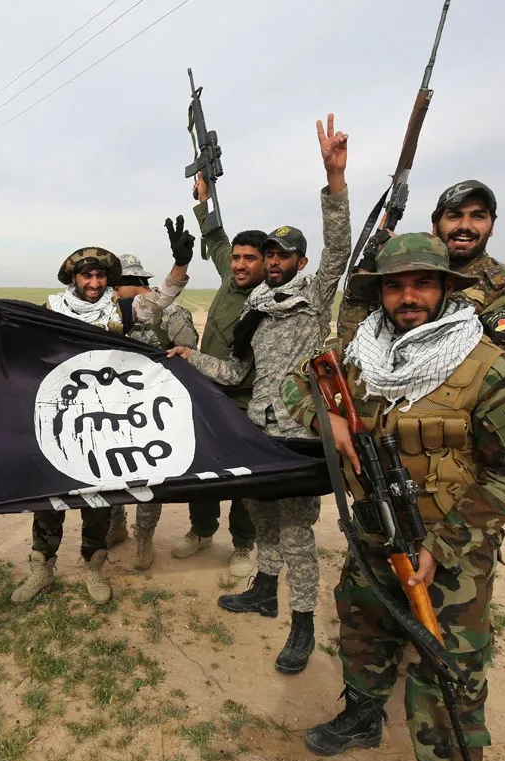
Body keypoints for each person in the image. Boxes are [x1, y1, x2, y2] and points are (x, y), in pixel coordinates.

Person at [282, 232, 505, 761]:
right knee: (363, 631)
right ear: (380, 294)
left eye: (423, 283)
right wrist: (327, 421)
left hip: (450, 551)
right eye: (395, 286)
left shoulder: (488, 370)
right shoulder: (360, 355)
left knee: (448, 665)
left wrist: (440, 546)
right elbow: (293, 384)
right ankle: (362, 716)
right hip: (374, 532)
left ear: (446, 288)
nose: (408, 297)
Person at [167, 114, 350, 675]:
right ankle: (265, 591)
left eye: (282, 255)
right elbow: (235, 371)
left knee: (297, 533)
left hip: (301, 435)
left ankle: (302, 624)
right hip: (259, 430)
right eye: (268, 254)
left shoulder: (313, 297)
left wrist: (334, 180)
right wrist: (190, 357)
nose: (272, 262)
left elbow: (338, 249)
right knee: (263, 515)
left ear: (299, 262)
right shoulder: (254, 310)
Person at [11, 232, 193, 606]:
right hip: (61, 416)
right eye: (87, 276)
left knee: (99, 498)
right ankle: (41, 569)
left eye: (100, 276)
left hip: (104, 421)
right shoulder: (51, 308)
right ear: (73, 279)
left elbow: (161, 298)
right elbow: (23, 342)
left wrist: (180, 264)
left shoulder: (119, 309)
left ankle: (93, 568)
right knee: (51, 497)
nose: (94, 283)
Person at [337, 180, 505, 394]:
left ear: (491, 227)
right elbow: (352, 350)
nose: (465, 226)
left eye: (478, 216)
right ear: (435, 225)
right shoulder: (398, 282)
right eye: (454, 216)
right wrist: (378, 264)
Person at [173, 173, 265, 578]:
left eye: (250, 259)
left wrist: (191, 357)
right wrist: (204, 199)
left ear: (267, 263)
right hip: (208, 394)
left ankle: (244, 543)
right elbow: (215, 237)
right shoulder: (231, 274)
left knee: (244, 477)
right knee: (203, 469)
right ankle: (202, 530)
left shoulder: (266, 303)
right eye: (238, 258)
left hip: (245, 402)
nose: (240, 264)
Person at [104, 254, 199, 569]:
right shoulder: (113, 315)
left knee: (150, 479)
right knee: (111, 471)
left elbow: (188, 359)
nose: (113, 293)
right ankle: (116, 524)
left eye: (116, 286)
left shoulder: (172, 313)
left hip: (155, 413)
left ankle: (144, 537)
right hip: (115, 410)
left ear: (133, 284)